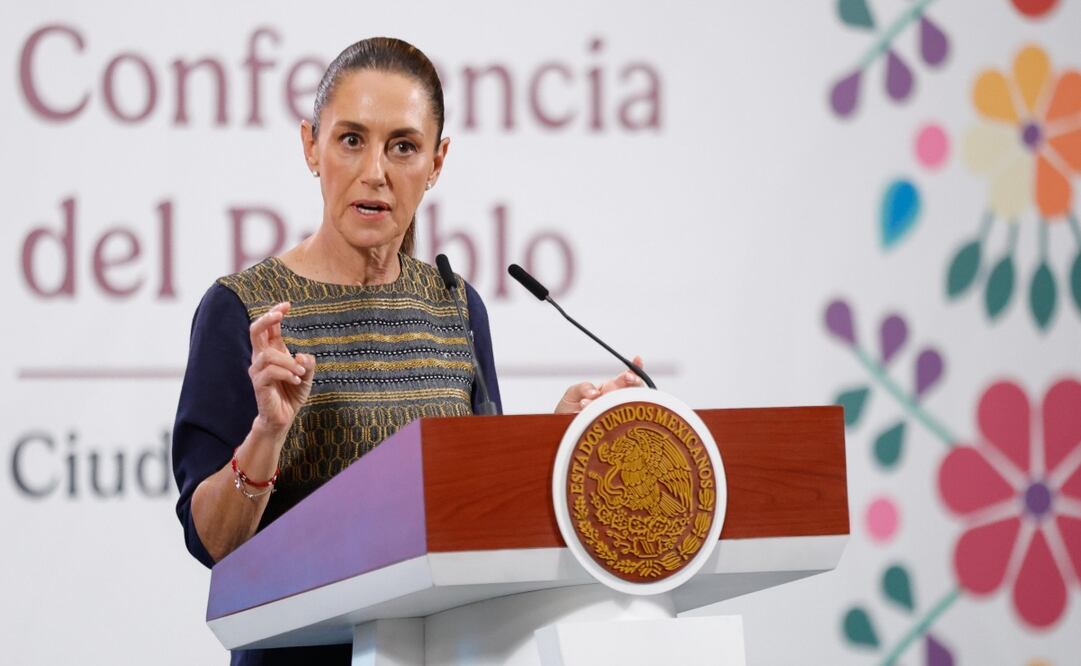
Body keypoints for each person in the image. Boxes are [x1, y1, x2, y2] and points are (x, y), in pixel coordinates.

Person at [172, 37, 643, 665]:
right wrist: (268, 432)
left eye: (403, 146)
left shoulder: (455, 306)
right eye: (350, 140)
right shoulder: (243, 308)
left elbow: (480, 512)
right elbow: (212, 543)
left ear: (437, 161)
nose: (375, 172)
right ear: (310, 146)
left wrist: (556, 445)